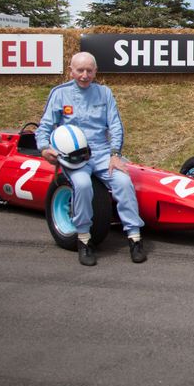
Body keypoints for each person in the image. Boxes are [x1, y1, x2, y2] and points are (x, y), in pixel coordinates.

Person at [36, 51, 147, 266]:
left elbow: (115, 125)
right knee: (83, 185)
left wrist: (115, 155)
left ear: (96, 71)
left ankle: (134, 237)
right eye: (80, 70)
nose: (85, 75)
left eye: (89, 70)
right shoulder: (59, 94)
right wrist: (44, 149)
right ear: (71, 71)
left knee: (124, 182)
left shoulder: (104, 93)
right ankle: (84, 240)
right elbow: (46, 126)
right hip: (74, 156)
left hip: (102, 151)